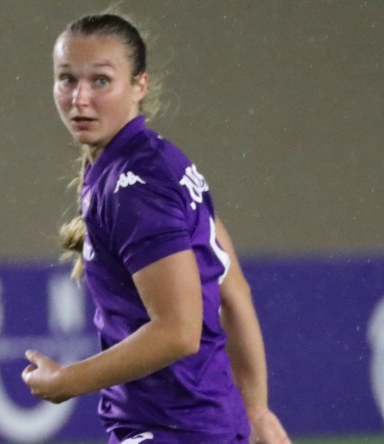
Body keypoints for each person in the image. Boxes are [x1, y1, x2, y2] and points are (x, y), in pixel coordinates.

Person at [20, 13, 290, 444]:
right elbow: (233, 290)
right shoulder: (154, 160)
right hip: (202, 423)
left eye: (101, 81)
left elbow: (179, 332)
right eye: (67, 79)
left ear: (139, 85)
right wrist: (256, 410)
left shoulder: (136, 186)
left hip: (171, 430)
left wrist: (68, 381)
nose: (80, 98)